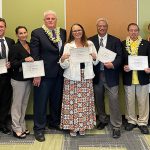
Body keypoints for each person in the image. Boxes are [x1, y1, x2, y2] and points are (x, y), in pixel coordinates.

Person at [30, 10, 66, 142]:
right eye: (48, 19)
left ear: (56, 20)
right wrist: (37, 74)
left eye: (53, 18)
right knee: (41, 102)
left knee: (56, 100)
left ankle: (54, 122)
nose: (50, 20)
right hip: (43, 75)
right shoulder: (37, 33)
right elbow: (35, 55)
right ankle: (39, 128)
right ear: (44, 20)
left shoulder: (62, 32)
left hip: (59, 73)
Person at [60, 23, 97, 136]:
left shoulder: (89, 44)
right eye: (74, 31)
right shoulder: (68, 46)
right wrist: (62, 59)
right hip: (71, 77)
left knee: (84, 103)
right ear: (71, 33)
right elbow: (64, 66)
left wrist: (95, 57)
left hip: (86, 76)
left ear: (82, 31)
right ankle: (72, 127)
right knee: (71, 103)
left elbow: (95, 61)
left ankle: (82, 126)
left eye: (79, 30)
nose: (77, 32)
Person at [89, 18, 122, 138]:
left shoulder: (115, 40)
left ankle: (116, 125)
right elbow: (87, 57)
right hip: (97, 75)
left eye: (104, 26)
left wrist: (113, 64)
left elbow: (120, 57)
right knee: (98, 99)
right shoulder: (90, 40)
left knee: (114, 100)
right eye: (99, 26)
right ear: (96, 27)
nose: (102, 28)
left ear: (107, 27)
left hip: (111, 75)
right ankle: (102, 120)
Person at [122, 23, 150, 134]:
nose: (133, 32)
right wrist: (123, 67)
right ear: (128, 31)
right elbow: (120, 60)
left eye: (135, 30)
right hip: (129, 78)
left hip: (143, 78)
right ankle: (131, 121)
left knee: (143, 101)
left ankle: (143, 122)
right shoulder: (123, 44)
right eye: (131, 30)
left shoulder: (146, 44)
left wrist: (149, 69)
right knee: (129, 101)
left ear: (138, 32)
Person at [9, 26, 33, 139]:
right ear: (17, 35)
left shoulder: (30, 45)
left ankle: (22, 125)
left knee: (24, 104)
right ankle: (16, 128)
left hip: (28, 79)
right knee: (17, 105)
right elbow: (12, 64)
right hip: (18, 80)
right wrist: (24, 60)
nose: (23, 35)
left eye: (24, 32)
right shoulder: (15, 47)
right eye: (20, 33)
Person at [0, 18, 15, 135]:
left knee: (5, 101)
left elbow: (14, 58)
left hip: (8, 76)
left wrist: (12, 63)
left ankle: (3, 123)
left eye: (1, 26)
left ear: (5, 28)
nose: (0, 28)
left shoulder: (10, 41)